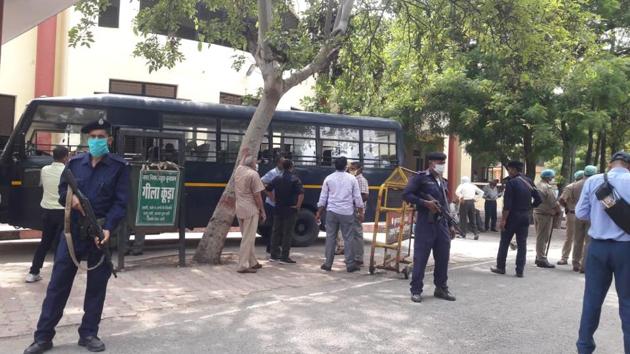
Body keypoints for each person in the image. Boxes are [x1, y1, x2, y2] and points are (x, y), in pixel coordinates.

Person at [24, 119, 130, 354]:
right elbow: (63, 191)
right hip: (72, 234)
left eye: (100, 137)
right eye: (92, 137)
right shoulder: (75, 163)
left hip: (99, 234)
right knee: (57, 285)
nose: (95, 141)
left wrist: (108, 228)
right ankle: (43, 337)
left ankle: (89, 333)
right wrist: (70, 200)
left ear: (109, 140)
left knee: (96, 287)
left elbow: (121, 204)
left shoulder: (120, 167)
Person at [575, 151, 630, 354]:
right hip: (627, 250)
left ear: (610, 164)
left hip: (597, 248)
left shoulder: (594, 180)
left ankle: (584, 348)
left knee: (592, 300)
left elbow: (581, 213)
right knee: (628, 304)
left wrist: (599, 218)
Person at [402, 152, 457, 303]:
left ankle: (441, 288)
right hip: (425, 223)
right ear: (431, 162)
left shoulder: (443, 181)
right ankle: (416, 290)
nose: (442, 165)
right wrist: (425, 203)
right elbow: (406, 194)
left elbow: (445, 205)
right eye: (439, 162)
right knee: (421, 258)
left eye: (443, 162)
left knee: (443, 257)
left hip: (442, 224)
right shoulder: (420, 177)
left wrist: (451, 225)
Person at [25, 146, 69, 283]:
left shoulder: (44, 170)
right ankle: (57, 275)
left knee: (44, 243)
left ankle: (33, 272)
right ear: (66, 157)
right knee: (60, 245)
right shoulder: (68, 172)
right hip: (62, 213)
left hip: (47, 213)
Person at [491, 160, 542, 278]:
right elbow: (539, 199)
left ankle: (500, 267)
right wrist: (530, 208)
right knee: (522, 243)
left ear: (513, 169)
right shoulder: (529, 181)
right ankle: (520, 270)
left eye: (509, 169)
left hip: (512, 216)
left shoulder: (511, 183)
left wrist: (503, 220)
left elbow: (507, 205)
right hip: (525, 216)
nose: (508, 171)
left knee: (504, 242)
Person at [316, 156, 364, 273]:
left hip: (332, 212)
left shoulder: (328, 178)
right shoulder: (352, 179)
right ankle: (350, 264)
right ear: (345, 167)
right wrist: (360, 212)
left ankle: (328, 264)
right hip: (347, 212)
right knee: (348, 238)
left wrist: (319, 212)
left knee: (330, 237)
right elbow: (357, 197)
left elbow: (323, 198)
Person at [266, 159, 304, 264]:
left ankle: (273, 255)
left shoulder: (277, 178)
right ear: (291, 167)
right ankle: (284, 256)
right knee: (287, 233)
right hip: (290, 209)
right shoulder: (295, 179)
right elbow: (301, 194)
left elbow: (267, 188)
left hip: (278, 208)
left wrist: (272, 198)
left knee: (276, 231)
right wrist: (298, 206)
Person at [234, 155, 266, 274]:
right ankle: (243, 265)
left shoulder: (239, 170)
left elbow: (242, 162)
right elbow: (257, 196)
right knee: (248, 239)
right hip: (250, 209)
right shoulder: (253, 174)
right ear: (252, 164)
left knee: (246, 236)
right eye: (255, 161)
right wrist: (262, 210)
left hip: (239, 208)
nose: (257, 163)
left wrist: (244, 153)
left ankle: (253, 262)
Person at [533, 169, 561, 268]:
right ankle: (541, 258)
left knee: (539, 236)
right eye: (552, 177)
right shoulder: (547, 187)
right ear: (549, 177)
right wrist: (558, 211)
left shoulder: (537, 185)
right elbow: (554, 202)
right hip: (545, 214)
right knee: (543, 237)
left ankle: (539, 255)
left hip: (537, 212)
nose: (552, 179)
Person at [557, 169, 585, 268]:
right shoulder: (588, 185)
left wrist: (566, 207)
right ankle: (581, 260)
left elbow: (561, 199)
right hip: (585, 215)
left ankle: (564, 257)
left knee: (570, 237)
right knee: (583, 238)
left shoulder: (570, 187)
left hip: (572, 214)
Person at [261, 155, 285, 252]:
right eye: (282, 162)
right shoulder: (272, 173)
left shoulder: (284, 172)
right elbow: (261, 182)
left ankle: (274, 247)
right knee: (272, 227)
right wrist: (269, 194)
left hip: (280, 204)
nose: (284, 164)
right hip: (271, 204)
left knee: (279, 227)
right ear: (278, 163)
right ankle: (270, 247)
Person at [348, 161, 369, 265]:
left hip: (357, 210)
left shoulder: (361, 180)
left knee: (357, 234)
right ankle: (353, 256)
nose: (351, 170)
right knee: (351, 234)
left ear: (360, 169)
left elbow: (364, 196)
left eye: (353, 168)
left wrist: (352, 202)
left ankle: (358, 258)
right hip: (350, 210)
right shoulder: (353, 179)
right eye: (350, 168)